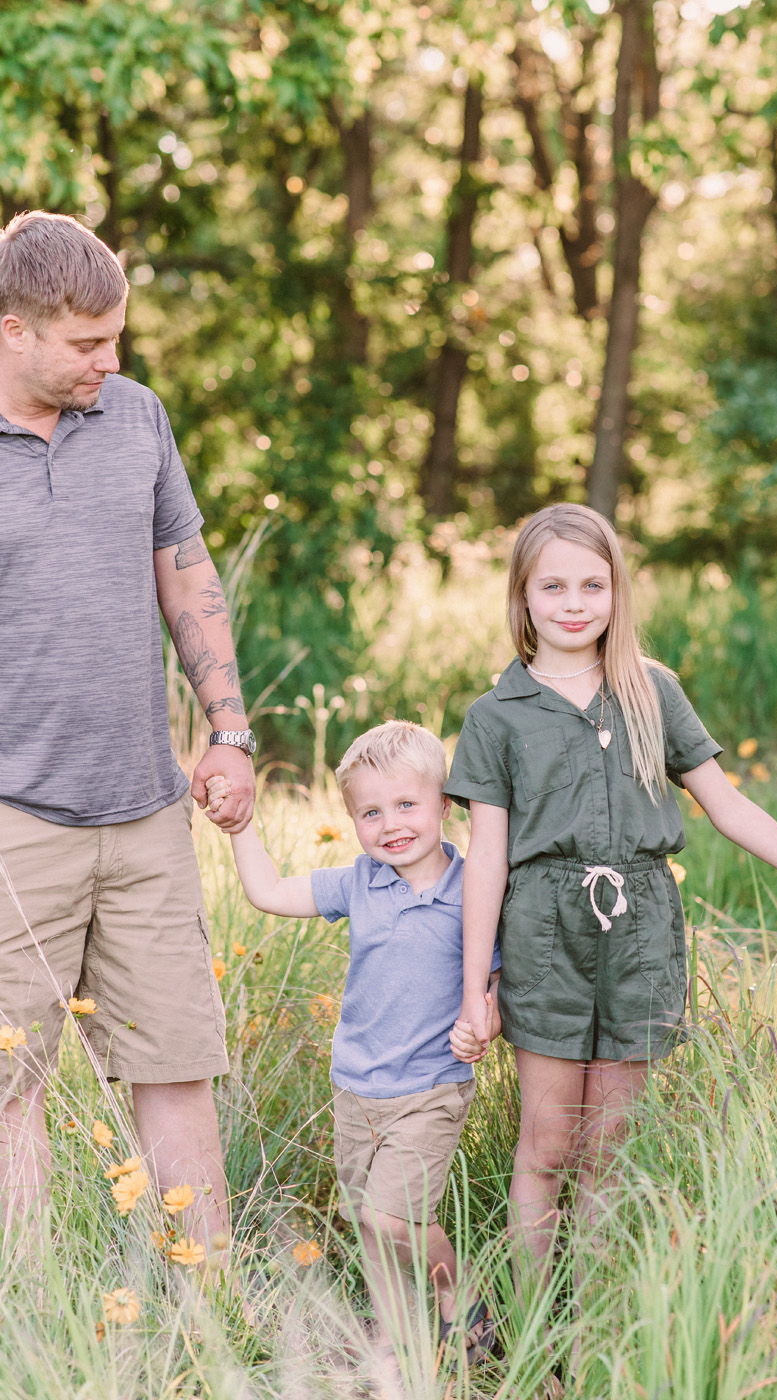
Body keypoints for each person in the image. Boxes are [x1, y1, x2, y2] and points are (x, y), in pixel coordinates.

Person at [445, 503, 777, 1282]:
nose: (574, 603)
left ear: (617, 593)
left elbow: (724, 804)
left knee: (609, 1145)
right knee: (550, 1142)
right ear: (522, 596)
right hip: (544, 932)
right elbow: (485, 857)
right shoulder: (495, 716)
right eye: (552, 586)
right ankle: (533, 1330)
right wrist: (472, 990)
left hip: (642, 929)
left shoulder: (650, 691)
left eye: (594, 585)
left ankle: (593, 1325)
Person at [0, 211, 256, 1253]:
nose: (112, 360)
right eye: (87, 344)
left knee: (175, 1063)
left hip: (146, 811)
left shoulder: (138, 417)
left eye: (117, 338)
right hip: (14, 818)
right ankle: (27, 1316)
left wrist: (229, 728)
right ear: (14, 331)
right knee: (8, 1079)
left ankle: (209, 1314)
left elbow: (186, 573)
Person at [209, 721, 499, 1376]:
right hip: (355, 1091)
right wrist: (239, 828)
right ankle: (396, 1342)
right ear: (352, 820)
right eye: (371, 812)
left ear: (444, 804)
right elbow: (269, 893)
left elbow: (499, 978)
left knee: (394, 1219)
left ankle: (461, 1293)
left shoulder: (473, 888)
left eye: (406, 805)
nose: (391, 825)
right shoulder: (361, 883)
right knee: (369, 1226)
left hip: (429, 1089)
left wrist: (486, 1017)